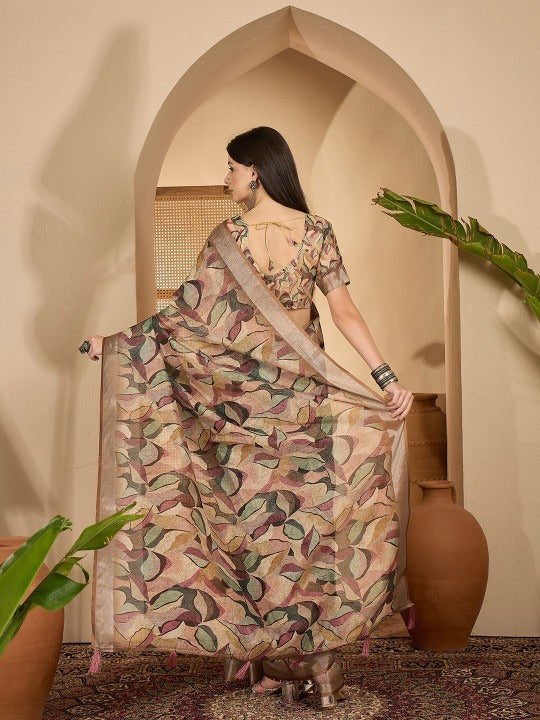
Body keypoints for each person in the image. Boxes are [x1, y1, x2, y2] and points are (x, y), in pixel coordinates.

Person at [83, 127, 413, 709]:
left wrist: (115, 346)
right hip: (304, 402)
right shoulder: (316, 232)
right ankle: (309, 662)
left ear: (255, 170)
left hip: (245, 406)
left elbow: (185, 320)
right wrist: (384, 376)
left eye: (232, 168)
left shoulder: (229, 238)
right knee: (307, 527)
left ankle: (279, 659)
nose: (226, 179)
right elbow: (342, 311)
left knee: (257, 529)